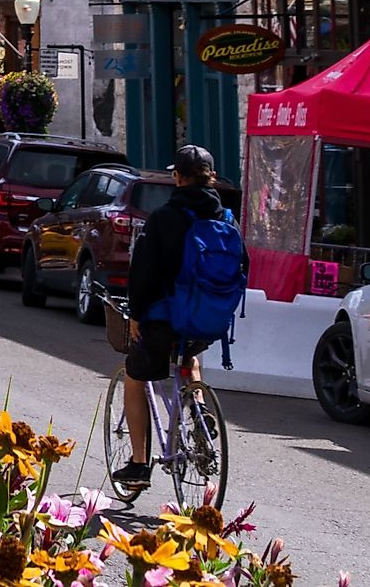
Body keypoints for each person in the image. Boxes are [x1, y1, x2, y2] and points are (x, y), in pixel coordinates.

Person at [113, 144, 244, 488]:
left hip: (163, 317)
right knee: (190, 359)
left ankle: (139, 465)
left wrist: (136, 315)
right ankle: (198, 408)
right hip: (206, 318)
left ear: (177, 177)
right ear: (211, 176)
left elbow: (142, 272)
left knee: (135, 376)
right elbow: (242, 264)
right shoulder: (226, 218)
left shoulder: (164, 218)